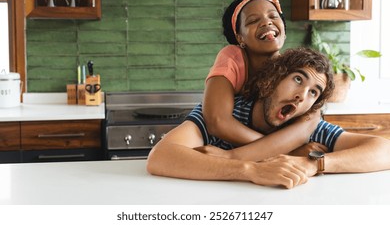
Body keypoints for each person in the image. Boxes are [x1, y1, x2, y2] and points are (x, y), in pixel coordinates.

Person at [147, 48, 390, 189]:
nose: (301, 95)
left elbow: (384, 150)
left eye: (313, 92)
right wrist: (250, 170)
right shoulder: (229, 111)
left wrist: (312, 163)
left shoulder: (303, 126)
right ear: (273, 79)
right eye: (298, 79)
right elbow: (161, 157)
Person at [202, 0, 322, 159]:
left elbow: (308, 123)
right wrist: (284, 149)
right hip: (223, 155)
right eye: (253, 20)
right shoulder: (232, 57)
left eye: (273, 16)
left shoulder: (293, 70)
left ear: (284, 32)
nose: (267, 22)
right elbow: (217, 122)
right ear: (240, 38)